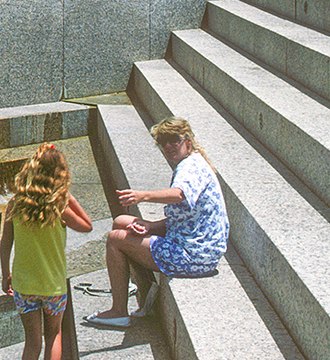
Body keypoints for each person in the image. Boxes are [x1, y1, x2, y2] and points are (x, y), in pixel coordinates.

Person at [84, 117, 229, 329]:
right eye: (163, 141)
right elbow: (186, 217)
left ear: (187, 140)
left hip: (195, 256)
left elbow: (179, 194)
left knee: (115, 240)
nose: (168, 146)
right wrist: (152, 226)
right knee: (121, 221)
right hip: (194, 245)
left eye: (173, 139)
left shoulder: (190, 168)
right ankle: (144, 289)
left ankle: (118, 312)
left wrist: (143, 196)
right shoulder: (193, 161)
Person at [0, 143, 93, 360]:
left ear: (30, 171)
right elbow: (88, 226)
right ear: (59, 175)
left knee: (32, 342)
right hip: (53, 287)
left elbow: (5, 244)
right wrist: (68, 197)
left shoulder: (16, 204)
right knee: (54, 336)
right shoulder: (60, 206)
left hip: (25, 286)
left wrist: (6, 276)